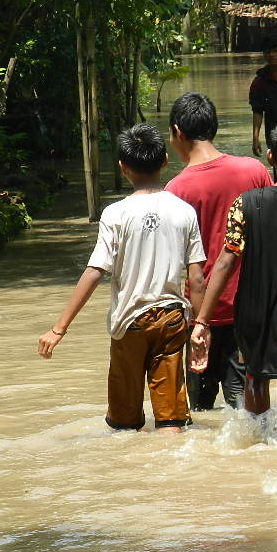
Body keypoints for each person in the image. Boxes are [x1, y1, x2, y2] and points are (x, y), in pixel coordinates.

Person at [37, 124, 206, 433]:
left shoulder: (115, 213)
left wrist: (58, 328)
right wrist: (201, 325)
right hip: (171, 319)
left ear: (122, 167)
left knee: (124, 426)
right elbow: (196, 278)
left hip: (130, 322)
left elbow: (95, 271)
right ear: (164, 161)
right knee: (171, 421)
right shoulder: (184, 211)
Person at [189, 122, 277, 446]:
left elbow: (225, 262)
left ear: (270, 156)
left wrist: (202, 320)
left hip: (250, 319)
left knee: (255, 386)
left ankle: (256, 450)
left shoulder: (246, 204)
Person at [165, 92, 273, 412]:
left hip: (200, 317)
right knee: (249, 411)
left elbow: (174, 265)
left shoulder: (175, 190)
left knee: (197, 413)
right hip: (250, 312)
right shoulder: (253, 171)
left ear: (177, 132)